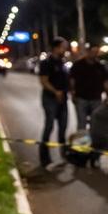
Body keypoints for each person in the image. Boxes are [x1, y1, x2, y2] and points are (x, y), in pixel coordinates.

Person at [37, 37, 70, 166]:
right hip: (50, 99)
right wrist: (55, 92)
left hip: (63, 99)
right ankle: (44, 157)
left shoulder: (63, 63)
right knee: (49, 126)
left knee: (63, 128)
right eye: (63, 47)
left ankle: (64, 155)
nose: (65, 50)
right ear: (56, 48)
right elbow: (43, 81)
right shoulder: (46, 63)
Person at [69, 43, 107, 129]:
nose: (94, 54)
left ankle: (93, 141)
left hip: (96, 98)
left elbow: (105, 82)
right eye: (93, 52)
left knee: (95, 123)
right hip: (81, 98)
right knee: (82, 123)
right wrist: (72, 93)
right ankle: (81, 142)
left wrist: (107, 95)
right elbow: (72, 81)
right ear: (88, 52)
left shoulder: (100, 66)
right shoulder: (78, 65)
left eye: (96, 52)